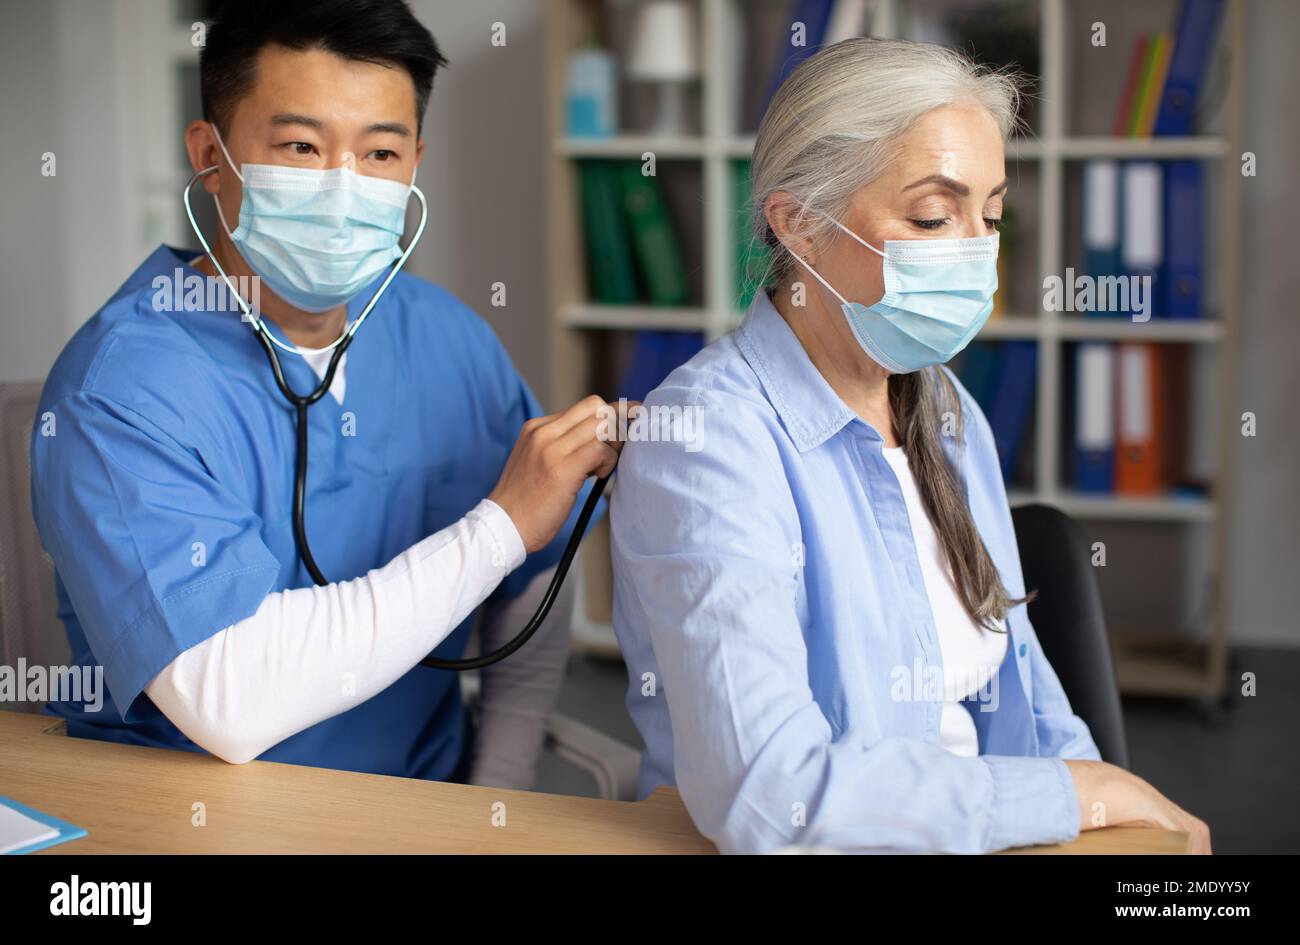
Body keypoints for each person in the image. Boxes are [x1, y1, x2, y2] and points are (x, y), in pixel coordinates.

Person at [611, 38, 1211, 854]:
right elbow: (773, 794)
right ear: (801, 226)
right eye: (934, 215)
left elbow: (1030, 698)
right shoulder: (707, 444)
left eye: (991, 215)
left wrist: (1113, 810)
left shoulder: (946, 405)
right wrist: (1070, 795)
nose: (975, 250)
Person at [31, 0, 621, 790]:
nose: (342, 187)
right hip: (197, 825)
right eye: (301, 146)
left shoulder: (447, 339)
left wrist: (497, 789)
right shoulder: (120, 390)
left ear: (416, 160)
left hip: (420, 810)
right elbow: (227, 697)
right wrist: (499, 526)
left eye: (380, 153)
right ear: (211, 156)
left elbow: (536, 571)